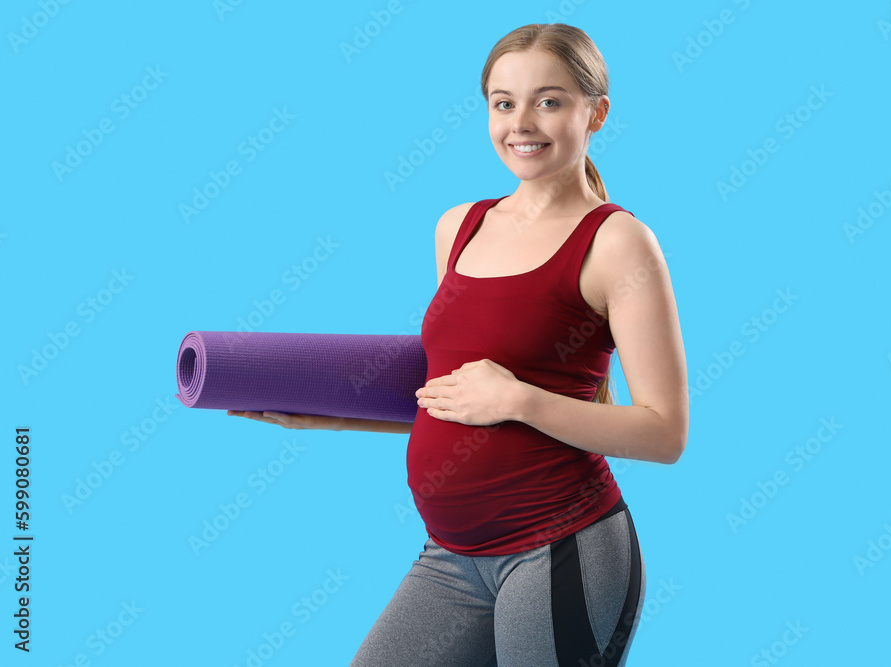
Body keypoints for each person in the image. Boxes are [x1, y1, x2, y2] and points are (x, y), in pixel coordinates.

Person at [229, 22, 687, 666]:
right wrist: (333, 416)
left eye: (549, 101)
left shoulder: (618, 243)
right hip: (451, 555)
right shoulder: (460, 227)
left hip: (560, 549)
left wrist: (521, 398)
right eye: (503, 103)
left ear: (597, 113)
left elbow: (664, 433)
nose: (521, 122)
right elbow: (461, 398)